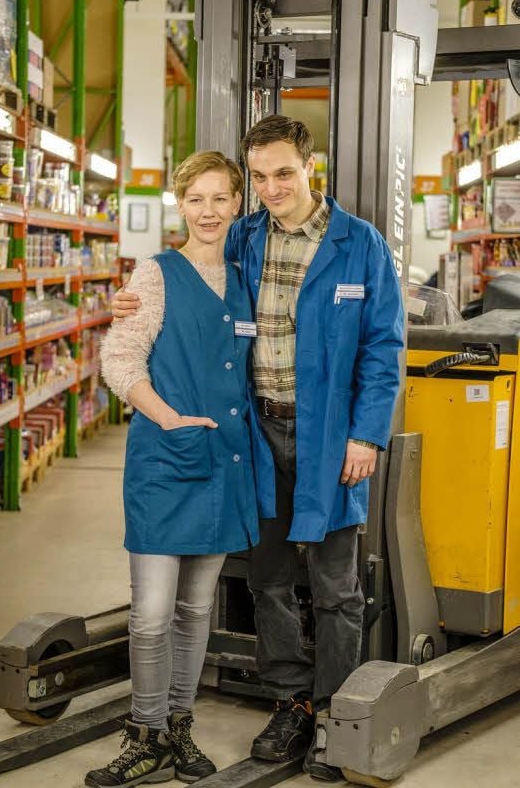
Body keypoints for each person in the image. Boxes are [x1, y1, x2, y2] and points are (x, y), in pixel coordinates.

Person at [111, 116, 404, 783]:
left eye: (285, 173)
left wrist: (365, 433)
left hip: (331, 437)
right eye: (262, 176)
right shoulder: (242, 237)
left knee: (334, 585)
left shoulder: (360, 245)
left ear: (310, 168)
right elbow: (189, 283)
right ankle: (290, 702)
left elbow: (385, 348)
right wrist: (128, 299)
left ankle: (335, 714)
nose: (273, 188)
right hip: (256, 437)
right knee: (269, 578)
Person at [87, 151, 259, 788]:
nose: (209, 212)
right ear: (179, 205)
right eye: (196, 200)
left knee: (195, 612)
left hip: (225, 465)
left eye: (220, 199)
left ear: (237, 203)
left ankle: (177, 728)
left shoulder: (246, 279)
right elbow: (120, 362)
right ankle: (144, 731)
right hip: (167, 459)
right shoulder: (155, 276)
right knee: (151, 614)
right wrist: (169, 418)